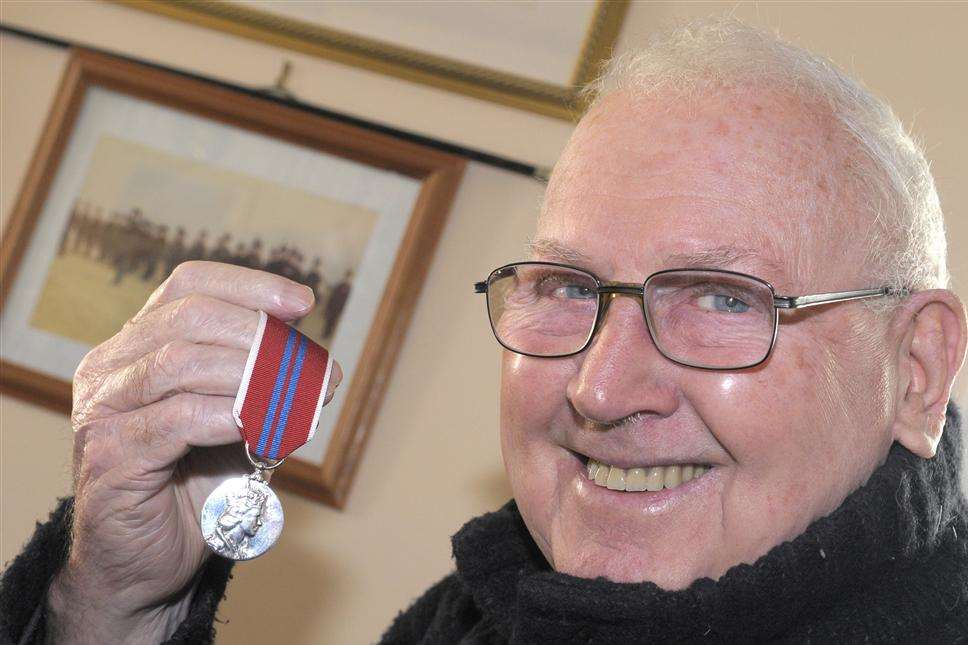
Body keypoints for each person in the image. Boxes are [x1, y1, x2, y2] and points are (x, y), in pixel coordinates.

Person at [2, 18, 967, 644]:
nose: (598, 387)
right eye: (564, 284)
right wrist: (113, 608)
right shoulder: (475, 615)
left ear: (917, 370)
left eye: (722, 299)